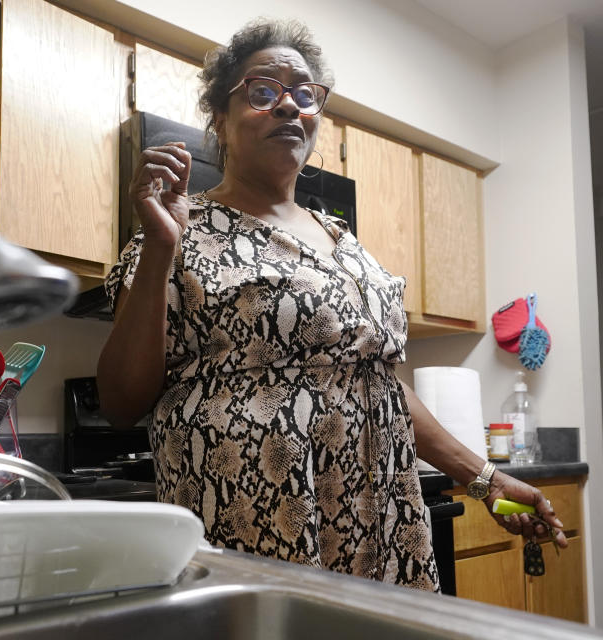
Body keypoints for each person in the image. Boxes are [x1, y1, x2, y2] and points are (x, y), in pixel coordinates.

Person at [97, 18, 566, 591]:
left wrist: (487, 479)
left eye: (304, 94)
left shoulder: (345, 244)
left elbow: (378, 384)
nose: (289, 106)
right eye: (263, 91)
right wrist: (161, 251)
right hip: (258, 527)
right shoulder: (177, 232)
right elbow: (120, 402)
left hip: (384, 526)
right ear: (218, 117)